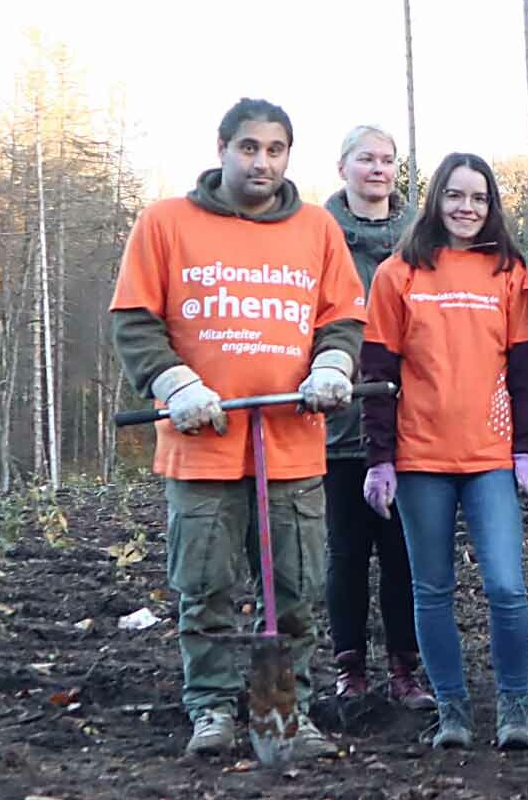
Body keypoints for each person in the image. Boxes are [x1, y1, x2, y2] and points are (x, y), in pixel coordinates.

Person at [109, 98, 367, 758]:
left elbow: (341, 317)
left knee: (295, 587)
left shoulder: (316, 228)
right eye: (249, 147)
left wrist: (333, 365)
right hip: (203, 448)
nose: (262, 161)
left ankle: (285, 710)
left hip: (291, 444)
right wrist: (175, 383)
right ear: (222, 146)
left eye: (275, 150)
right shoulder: (167, 223)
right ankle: (212, 708)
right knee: (205, 586)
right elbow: (134, 319)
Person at [358, 152, 528, 751]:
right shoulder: (399, 274)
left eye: (479, 198)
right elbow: (378, 370)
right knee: (432, 588)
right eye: (455, 196)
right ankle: (454, 711)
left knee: (506, 585)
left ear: (491, 207)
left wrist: (525, 451)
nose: (467, 209)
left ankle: (516, 706)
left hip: (491, 457)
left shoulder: (509, 272)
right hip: (420, 460)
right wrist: (379, 458)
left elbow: (527, 368)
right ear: (436, 199)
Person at [319, 125, 431, 710]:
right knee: (345, 553)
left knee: (402, 553)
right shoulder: (317, 235)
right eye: (366, 159)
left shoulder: (422, 236)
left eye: (388, 160)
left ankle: (404, 669)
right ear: (343, 167)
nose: (378, 170)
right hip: (337, 424)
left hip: (409, 424)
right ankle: (349, 669)